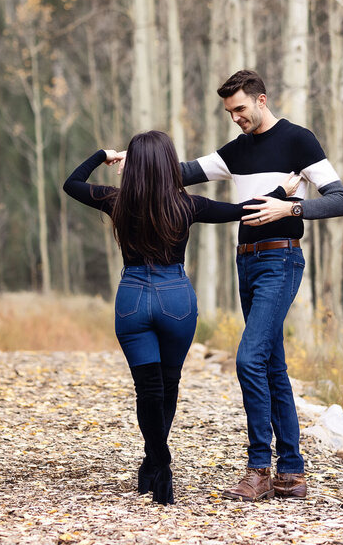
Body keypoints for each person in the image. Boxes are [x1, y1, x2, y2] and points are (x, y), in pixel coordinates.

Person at [62, 129, 298, 505]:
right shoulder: (188, 205)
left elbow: (72, 183)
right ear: (170, 164)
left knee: (147, 390)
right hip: (177, 301)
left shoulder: (115, 200)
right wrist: (282, 195)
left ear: (133, 166)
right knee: (168, 385)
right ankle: (155, 460)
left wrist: (103, 153)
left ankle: (158, 463)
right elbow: (244, 212)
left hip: (132, 300)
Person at [181, 69, 343, 501]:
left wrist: (289, 208)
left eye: (240, 108)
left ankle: (258, 468)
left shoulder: (299, 140)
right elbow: (183, 171)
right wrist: (132, 156)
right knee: (273, 366)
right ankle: (291, 473)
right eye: (229, 111)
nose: (235, 117)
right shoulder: (234, 152)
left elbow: (340, 199)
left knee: (248, 359)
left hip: (281, 259)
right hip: (246, 264)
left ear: (261, 99)